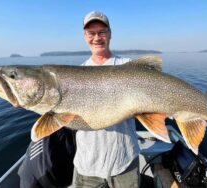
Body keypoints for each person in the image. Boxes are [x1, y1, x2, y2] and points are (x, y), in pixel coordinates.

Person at [72, 11, 141, 188]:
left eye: (102, 32)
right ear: (84, 36)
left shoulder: (128, 66)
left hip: (124, 162)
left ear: (110, 33)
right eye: (91, 33)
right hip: (88, 166)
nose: (97, 38)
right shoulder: (75, 74)